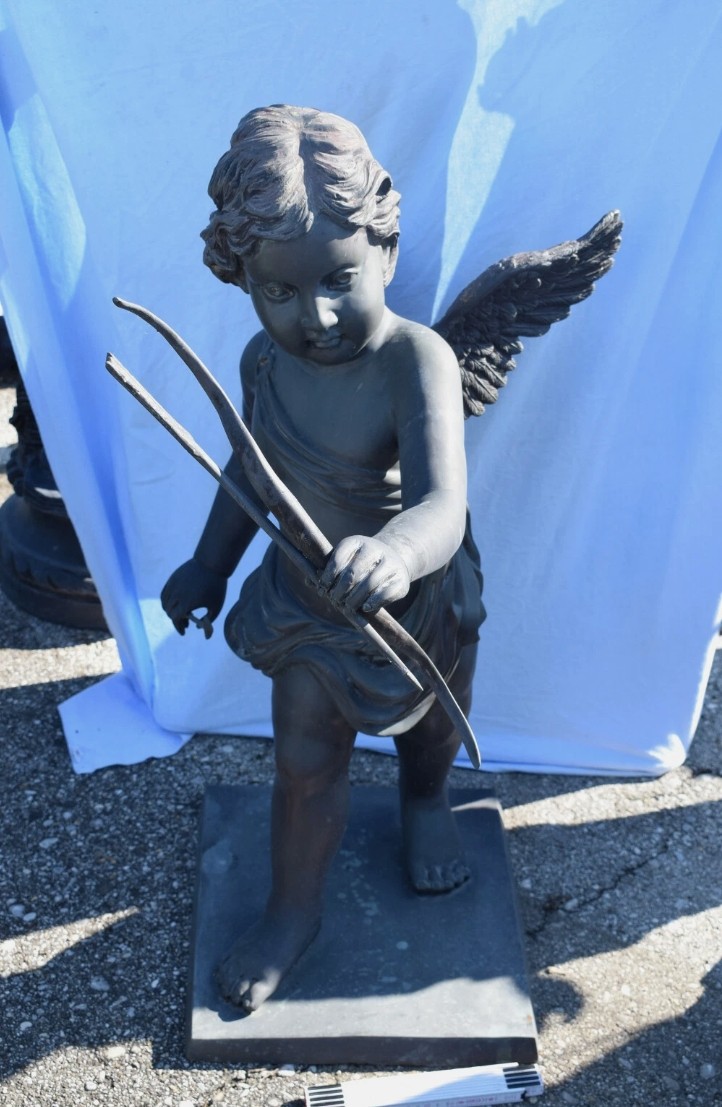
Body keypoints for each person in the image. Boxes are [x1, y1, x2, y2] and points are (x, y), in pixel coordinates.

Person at [161, 105, 484, 1012]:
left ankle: (425, 802)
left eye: (341, 279)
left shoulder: (416, 358)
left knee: (431, 729)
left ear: (385, 248)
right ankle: (292, 910)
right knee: (304, 758)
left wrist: (395, 553)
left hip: (416, 596)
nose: (319, 315)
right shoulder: (265, 364)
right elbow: (251, 470)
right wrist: (208, 563)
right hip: (311, 601)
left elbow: (443, 502)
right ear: (244, 281)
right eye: (280, 292)